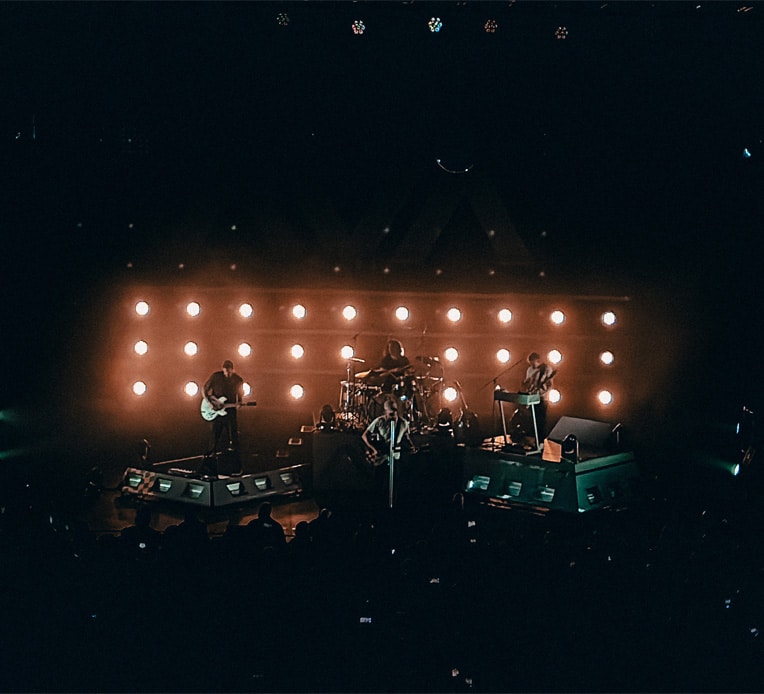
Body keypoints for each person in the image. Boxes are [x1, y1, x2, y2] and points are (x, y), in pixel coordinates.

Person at [203, 359, 245, 458]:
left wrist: (239, 402)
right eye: (226, 371)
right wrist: (210, 402)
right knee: (215, 433)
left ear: (233, 370)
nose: (227, 374)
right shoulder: (216, 376)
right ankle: (211, 454)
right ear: (223, 370)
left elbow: (240, 394)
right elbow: (204, 388)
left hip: (230, 409)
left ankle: (234, 455)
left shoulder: (238, 380)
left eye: (229, 371)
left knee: (233, 432)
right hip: (216, 409)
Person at [362, 398, 415, 466]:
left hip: (395, 457)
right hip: (381, 459)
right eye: (390, 414)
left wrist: (411, 446)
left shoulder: (403, 423)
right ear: (385, 412)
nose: (392, 416)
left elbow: (406, 437)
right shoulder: (380, 421)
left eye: (394, 412)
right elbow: (364, 435)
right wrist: (374, 449)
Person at [520, 351, 557, 441]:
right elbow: (528, 383)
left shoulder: (546, 369)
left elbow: (549, 384)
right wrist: (526, 385)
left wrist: (542, 391)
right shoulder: (529, 369)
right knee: (531, 420)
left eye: (533, 363)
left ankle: (540, 442)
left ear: (538, 361)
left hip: (542, 398)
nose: (532, 365)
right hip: (531, 397)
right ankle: (532, 440)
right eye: (530, 363)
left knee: (540, 420)